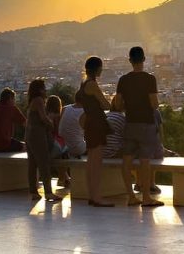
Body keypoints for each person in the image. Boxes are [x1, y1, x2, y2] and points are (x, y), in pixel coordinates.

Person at [115, 46, 162, 207]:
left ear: (130, 61)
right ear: (143, 59)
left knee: (126, 160)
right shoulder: (150, 79)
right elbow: (154, 104)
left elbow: (118, 104)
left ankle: (131, 196)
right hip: (146, 124)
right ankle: (147, 197)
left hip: (130, 123)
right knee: (145, 160)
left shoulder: (123, 80)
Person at [76, 56, 114, 207]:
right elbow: (105, 104)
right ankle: (97, 197)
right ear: (97, 68)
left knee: (91, 161)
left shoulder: (84, 84)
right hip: (97, 124)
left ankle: (93, 196)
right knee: (96, 163)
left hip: (90, 124)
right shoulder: (92, 84)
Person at [25, 79, 61, 203]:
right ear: (40, 89)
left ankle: (33, 192)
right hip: (37, 135)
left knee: (32, 164)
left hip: (29, 135)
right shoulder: (39, 100)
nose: (45, 90)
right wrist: (51, 123)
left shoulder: (31, 102)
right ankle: (49, 192)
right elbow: (43, 117)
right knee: (44, 163)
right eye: (44, 88)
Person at [0, 88, 25, 152]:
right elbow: (26, 124)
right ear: (9, 99)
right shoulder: (12, 109)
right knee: (27, 147)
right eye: (14, 99)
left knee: (18, 144)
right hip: (3, 144)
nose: (14, 101)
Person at [44, 95, 69, 187]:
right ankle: (64, 178)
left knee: (60, 154)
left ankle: (64, 178)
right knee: (64, 152)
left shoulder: (45, 116)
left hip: (47, 145)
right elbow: (59, 131)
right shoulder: (58, 116)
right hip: (56, 144)